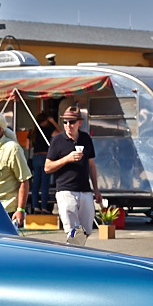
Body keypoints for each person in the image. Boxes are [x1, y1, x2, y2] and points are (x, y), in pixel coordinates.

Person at [45, 104, 101, 243]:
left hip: (85, 190)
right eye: (65, 122)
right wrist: (67, 159)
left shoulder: (85, 138)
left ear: (79, 123)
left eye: (71, 122)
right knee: (73, 231)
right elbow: (47, 167)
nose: (68, 125)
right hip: (66, 190)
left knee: (86, 230)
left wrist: (96, 189)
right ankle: (73, 252)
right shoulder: (57, 140)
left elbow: (91, 165)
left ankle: (77, 250)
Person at [28, 110, 58, 214]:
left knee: (36, 183)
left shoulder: (32, 131)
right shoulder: (48, 129)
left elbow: (27, 146)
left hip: (35, 157)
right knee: (45, 183)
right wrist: (53, 122)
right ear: (45, 121)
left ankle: (35, 206)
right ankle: (44, 207)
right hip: (45, 157)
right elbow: (60, 134)